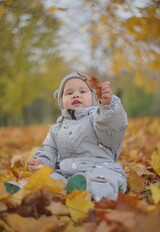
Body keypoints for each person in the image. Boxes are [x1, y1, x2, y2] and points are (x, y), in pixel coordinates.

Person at [28, 72, 128, 201]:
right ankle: (27, 191)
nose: (75, 95)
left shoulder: (99, 118)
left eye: (82, 91)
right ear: (61, 101)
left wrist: (107, 106)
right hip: (65, 173)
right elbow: (49, 151)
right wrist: (41, 162)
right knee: (48, 179)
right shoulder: (56, 129)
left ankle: (87, 191)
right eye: (69, 93)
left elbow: (112, 126)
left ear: (93, 97)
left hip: (98, 168)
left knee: (103, 180)